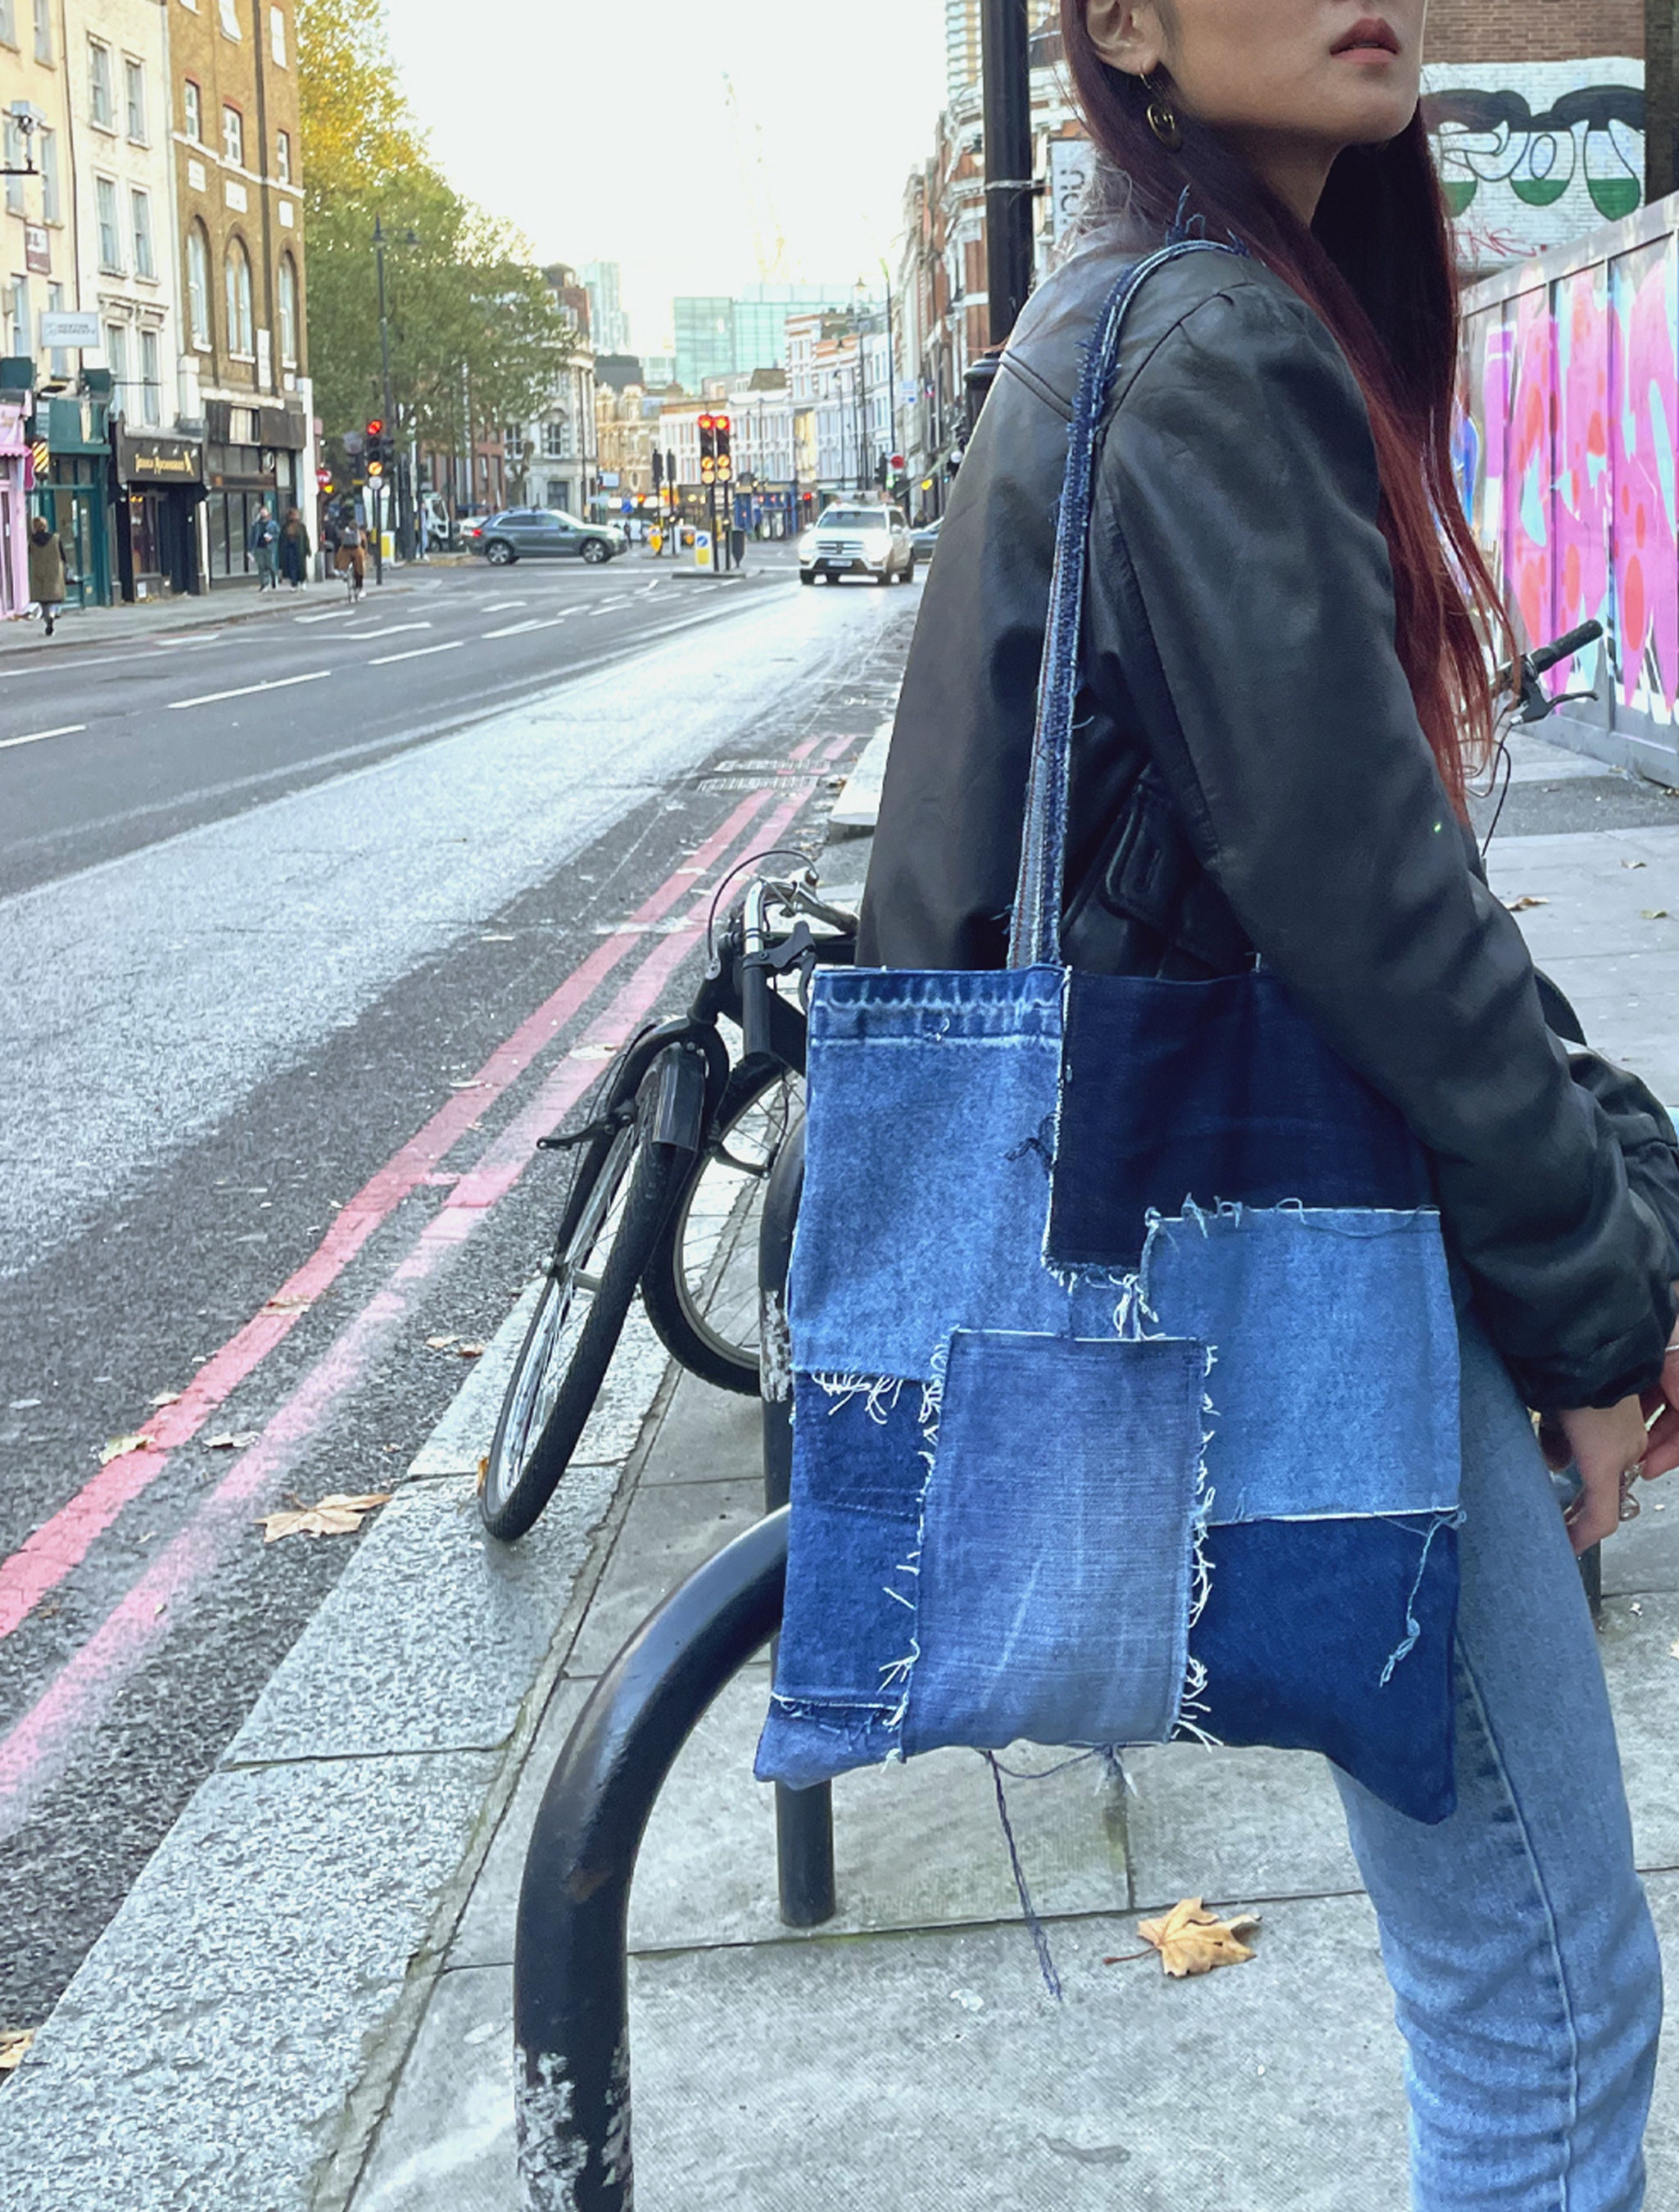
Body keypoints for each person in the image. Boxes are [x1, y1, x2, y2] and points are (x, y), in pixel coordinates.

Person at [859, 4, 1679, 2205]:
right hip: (1283, 1268)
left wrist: (1595, 1177)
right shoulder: (1208, 344)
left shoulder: (1130, 314)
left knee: (1523, 1977)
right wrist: (1599, 1310)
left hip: (1199, 1235)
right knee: (1546, 1992)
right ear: (1116, 22)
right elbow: (1372, 914)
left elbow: (1337, 876)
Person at [26, 514, 66, 637]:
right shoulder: (55, 538)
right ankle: (52, 616)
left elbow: (30, 553)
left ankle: (46, 618)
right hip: (54, 572)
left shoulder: (31, 541)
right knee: (55, 599)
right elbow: (63, 556)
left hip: (39, 573)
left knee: (43, 600)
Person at [333, 505, 365, 600]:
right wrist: (365, 552)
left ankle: (342, 572)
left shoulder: (345, 532)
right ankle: (359, 587)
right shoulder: (360, 533)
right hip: (356, 551)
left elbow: (340, 539)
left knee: (340, 558)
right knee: (360, 569)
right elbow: (364, 543)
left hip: (345, 551)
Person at [248, 502, 280, 589]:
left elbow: (278, 534)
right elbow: (252, 537)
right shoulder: (256, 524)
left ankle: (274, 579)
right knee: (261, 566)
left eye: (264, 512)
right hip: (259, 547)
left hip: (269, 547)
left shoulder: (273, 524)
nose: (263, 514)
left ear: (268, 513)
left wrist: (272, 538)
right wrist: (249, 550)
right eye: (261, 512)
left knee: (270, 564)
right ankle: (264, 584)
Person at [278, 505, 310, 588]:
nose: (294, 517)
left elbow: (305, 539)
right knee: (292, 567)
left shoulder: (301, 527)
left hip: (299, 549)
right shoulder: (285, 527)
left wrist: (308, 550)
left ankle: (302, 581)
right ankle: (294, 583)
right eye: (293, 515)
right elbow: (282, 540)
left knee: (301, 567)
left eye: (295, 515)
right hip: (290, 549)